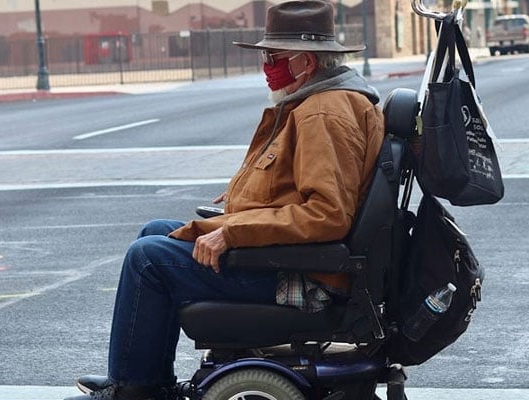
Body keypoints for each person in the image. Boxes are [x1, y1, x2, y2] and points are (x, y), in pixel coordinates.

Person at [67, 1, 384, 399]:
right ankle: (143, 378)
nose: (267, 65)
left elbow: (327, 214)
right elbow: (297, 185)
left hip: (306, 277)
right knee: (156, 232)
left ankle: (135, 390)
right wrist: (243, 195)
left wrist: (232, 231)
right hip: (300, 259)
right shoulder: (320, 101)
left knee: (147, 258)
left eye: (274, 56)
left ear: (306, 62)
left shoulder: (322, 113)